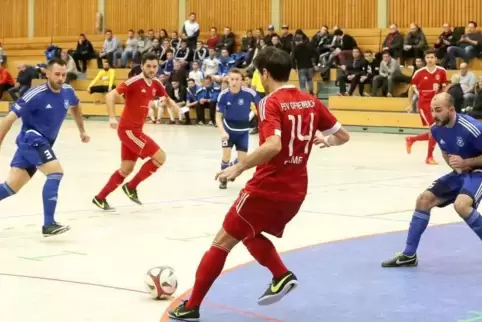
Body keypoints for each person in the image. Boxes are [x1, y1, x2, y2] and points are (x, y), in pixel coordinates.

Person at [168, 47, 350, 321]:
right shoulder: (310, 101)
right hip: (296, 190)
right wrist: (326, 141)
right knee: (249, 233)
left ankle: (191, 306)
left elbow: (273, 145)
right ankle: (280, 275)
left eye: (257, 72)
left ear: (264, 73)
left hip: (267, 188)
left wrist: (238, 167)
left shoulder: (270, 103)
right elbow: (343, 136)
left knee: (221, 243)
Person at [382, 92, 482, 267]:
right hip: (460, 173)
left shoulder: (472, 128)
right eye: (431, 110)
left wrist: (466, 162)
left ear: (451, 110)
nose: (433, 115)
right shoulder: (436, 129)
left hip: (479, 172)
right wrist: (456, 167)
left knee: (461, 205)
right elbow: (445, 152)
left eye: (438, 110)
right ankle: (409, 255)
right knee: (423, 200)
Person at [0, 58, 90, 236]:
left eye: (63, 75)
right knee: (55, 172)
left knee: (11, 187)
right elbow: (9, 119)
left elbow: (75, 106)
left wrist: (82, 130)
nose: (60, 78)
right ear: (47, 74)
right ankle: (49, 225)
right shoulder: (35, 94)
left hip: (42, 143)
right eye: (57, 74)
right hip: (31, 139)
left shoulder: (67, 91)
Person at [92, 53, 179, 211]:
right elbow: (110, 95)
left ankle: (100, 198)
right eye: (149, 66)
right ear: (142, 66)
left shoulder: (156, 83)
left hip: (135, 131)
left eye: (154, 66)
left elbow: (165, 97)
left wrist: (173, 104)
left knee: (126, 168)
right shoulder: (134, 82)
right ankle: (131, 187)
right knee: (160, 157)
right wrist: (111, 117)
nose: (152, 70)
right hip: (129, 131)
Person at [216, 69, 261, 189]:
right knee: (226, 155)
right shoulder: (223, 95)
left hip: (243, 131)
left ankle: (231, 168)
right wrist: (223, 131)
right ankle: (223, 178)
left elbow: (261, 105)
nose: (234, 82)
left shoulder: (249, 93)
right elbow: (218, 117)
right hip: (228, 131)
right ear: (228, 80)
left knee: (243, 160)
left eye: (237, 79)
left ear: (241, 80)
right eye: (232, 79)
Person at [405, 50, 448, 165]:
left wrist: (446, 103)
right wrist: (409, 104)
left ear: (436, 59)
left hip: (437, 105)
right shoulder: (419, 72)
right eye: (428, 57)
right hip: (424, 105)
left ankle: (412, 139)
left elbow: (444, 88)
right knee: (435, 129)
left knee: (437, 131)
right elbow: (411, 89)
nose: (430, 59)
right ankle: (429, 157)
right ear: (425, 59)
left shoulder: (441, 71)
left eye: (432, 57)